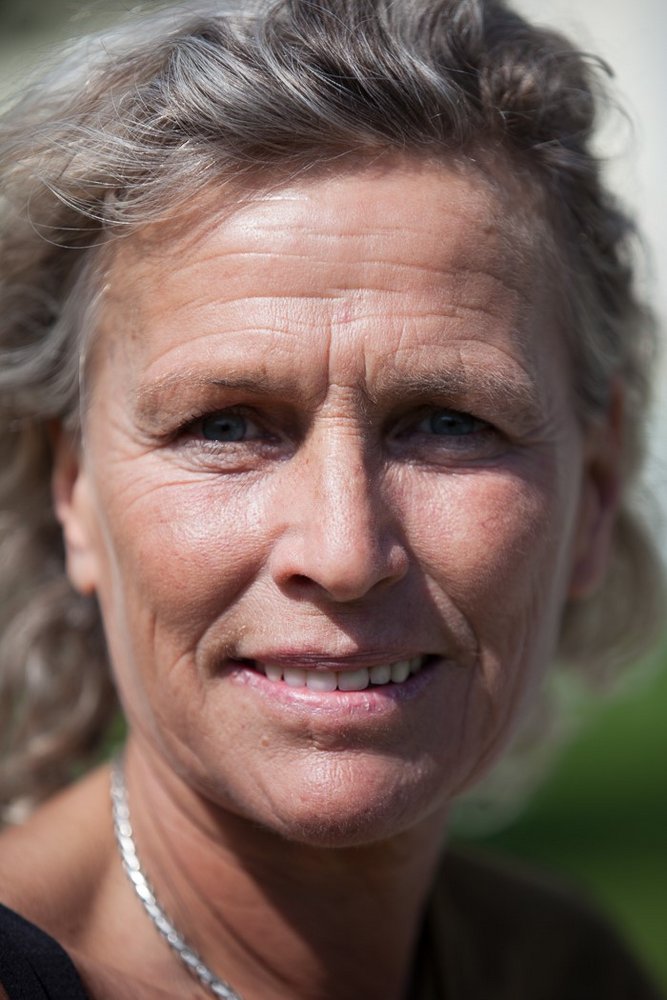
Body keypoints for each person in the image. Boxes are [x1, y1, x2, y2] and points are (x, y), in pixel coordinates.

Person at [0, 0, 664, 997]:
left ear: (597, 492)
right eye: (227, 426)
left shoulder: (564, 969)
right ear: (75, 488)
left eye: (447, 422)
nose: (344, 551)